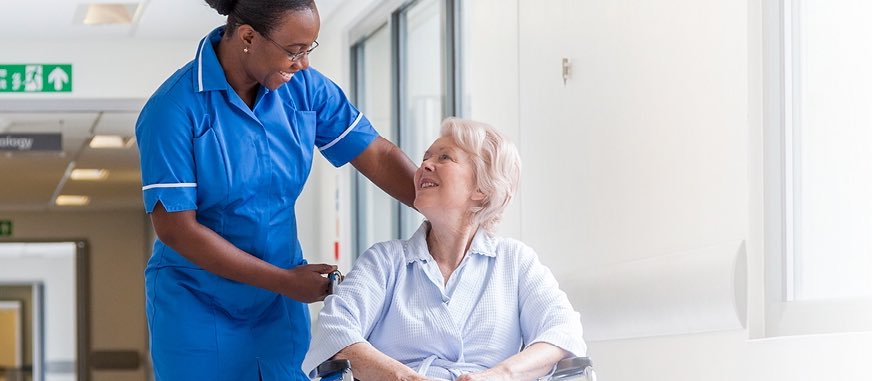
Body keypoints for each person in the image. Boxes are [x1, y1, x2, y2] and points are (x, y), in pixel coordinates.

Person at [135, 0, 417, 379]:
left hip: (278, 301)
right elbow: (175, 228)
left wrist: (439, 205)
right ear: (248, 36)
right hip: (197, 300)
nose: (303, 64)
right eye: (293, 51)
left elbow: (376, 154)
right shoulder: (173, 109)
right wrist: (284, 281)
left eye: (308, 50)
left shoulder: (304, 89)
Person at [302, 118, 586, 381]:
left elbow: (564, 331)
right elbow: (333, 331)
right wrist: (407, 379)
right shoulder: (385, 261)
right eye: (426, 157)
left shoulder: (515, 261)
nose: (424, 165)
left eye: (444, 157)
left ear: (482, 190)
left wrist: (500, 375)